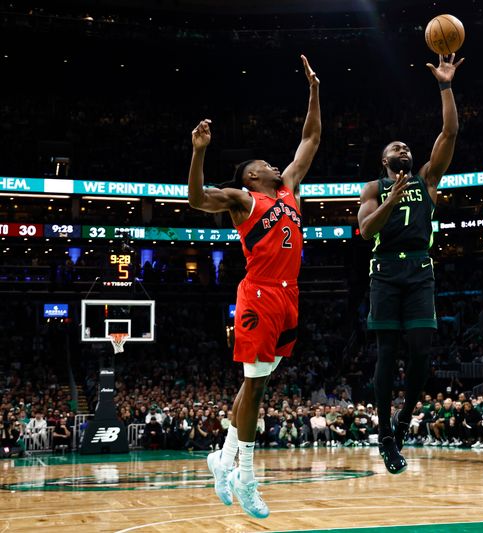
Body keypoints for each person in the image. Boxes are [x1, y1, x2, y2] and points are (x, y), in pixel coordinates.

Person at [189, 55, 321, 519]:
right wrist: (200, 150)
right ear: (251, 177)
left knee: (256, 384)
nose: (273, 164)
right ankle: (245, 475)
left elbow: (310, 138)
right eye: (264, 163)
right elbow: (196, 198)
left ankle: (221, 459)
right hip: (261, 292)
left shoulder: (288, 191)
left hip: (289, 294)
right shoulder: (245, 200)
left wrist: (314, 90)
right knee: (256, 389)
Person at [357, 52, 464, 474]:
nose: (403, 147)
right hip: (384, 270)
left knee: (420, 352)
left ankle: (404, 420)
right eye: (394, 147)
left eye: (406, 146)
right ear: (385, 161)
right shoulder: (373, 186)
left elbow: (450, 133)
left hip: (420, 268)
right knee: (387, 353)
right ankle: (384, 430)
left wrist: (445, 85)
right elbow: (366, 230)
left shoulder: (427, 180)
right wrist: (391, 200)